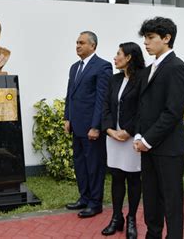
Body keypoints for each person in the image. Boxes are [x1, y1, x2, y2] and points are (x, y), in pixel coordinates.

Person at [133, 17, 184, 239]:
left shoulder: (177, 68)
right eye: (145, 38)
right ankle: (153, 234)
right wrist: (139, 134)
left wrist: (146, 140)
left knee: (171, 200)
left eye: (150, 38)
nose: (146, 43)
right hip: (147, 145)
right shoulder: (150, 69)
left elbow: (173, 112)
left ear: (166, 38)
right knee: (151, 197)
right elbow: (142, 106)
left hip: (168, 148)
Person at [64, 31, 112, 218]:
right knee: (80, 164)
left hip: (91, 128)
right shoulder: (74, 67)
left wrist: (95, 126)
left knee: (94, 166)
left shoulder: (103, 67)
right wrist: (67, 118)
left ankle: (95, 203)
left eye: (82, 42)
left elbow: (102, 100)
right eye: (76, 42)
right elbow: (70, 95)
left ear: (93, 46)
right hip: (76, 125)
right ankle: (84, 198)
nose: (77, 45)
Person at [101, 42, 145, 238]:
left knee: (133, 179)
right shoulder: (114, 79)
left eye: (118, 54)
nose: (115, 57)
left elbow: (143, 110)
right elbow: (106, 107)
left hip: (131, 138)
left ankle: (132, 219)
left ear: (128, 57)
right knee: (117, 177)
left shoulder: (142, 79)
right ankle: (116, 218)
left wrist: (127, 132)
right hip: (113, 137)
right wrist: (110, 130)